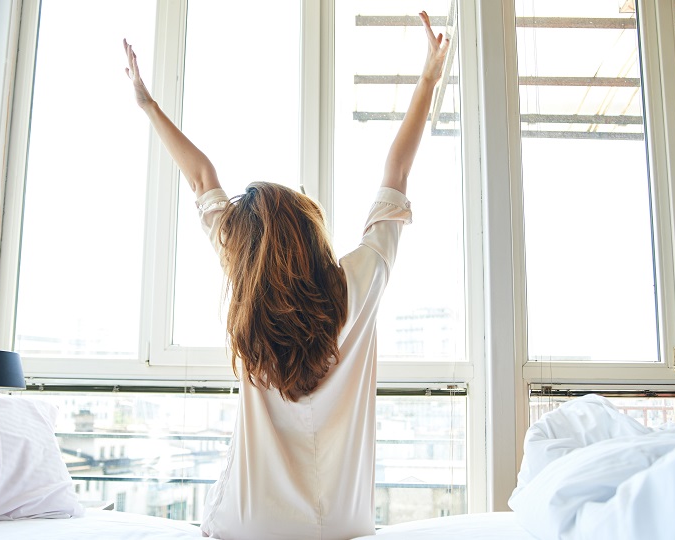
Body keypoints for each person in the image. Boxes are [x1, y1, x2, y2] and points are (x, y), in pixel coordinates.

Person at [124, 11, 449, 540]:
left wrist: (147, 104)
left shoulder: (247, 290)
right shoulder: (357, 285)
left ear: (248, 250)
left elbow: (203, 177)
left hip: (254, 521)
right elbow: (397, 172)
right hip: (342, 521)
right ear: (309, 228)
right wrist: (429, 80)